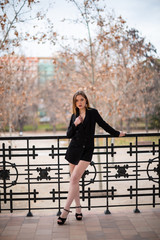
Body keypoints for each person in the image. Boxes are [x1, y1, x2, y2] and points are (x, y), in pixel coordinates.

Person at [57, 91, 125, 225]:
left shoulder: (93, 113)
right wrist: (75, 123)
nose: (79, 102)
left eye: (81, 99)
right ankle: (78, 209)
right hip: (73, 150)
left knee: (74, 178)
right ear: (74, 103)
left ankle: (65, 211)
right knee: (74, 181)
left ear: (86, 101)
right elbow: (68, 134)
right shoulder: (74, 116)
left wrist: (117, 133)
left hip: (86, 151)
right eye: (77, 101)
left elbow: (103, 124)